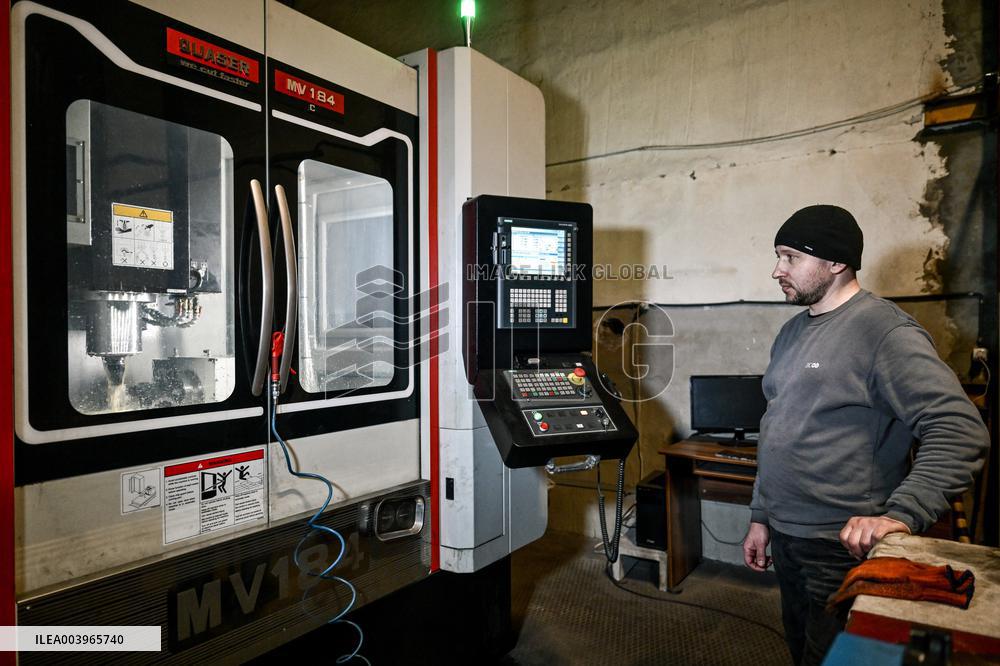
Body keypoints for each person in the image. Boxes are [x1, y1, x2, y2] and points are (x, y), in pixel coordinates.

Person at [742, 204, 989, 666]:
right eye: (778, 256)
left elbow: (958, 428)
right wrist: (761, 515)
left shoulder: (884, 331)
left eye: (791, 257)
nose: (777, 270)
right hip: (786, 533)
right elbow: (776, 427)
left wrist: (902, 513)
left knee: (836, 658)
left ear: (836, 262)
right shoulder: (791, 332)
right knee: (800, 648)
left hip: (839, 545)